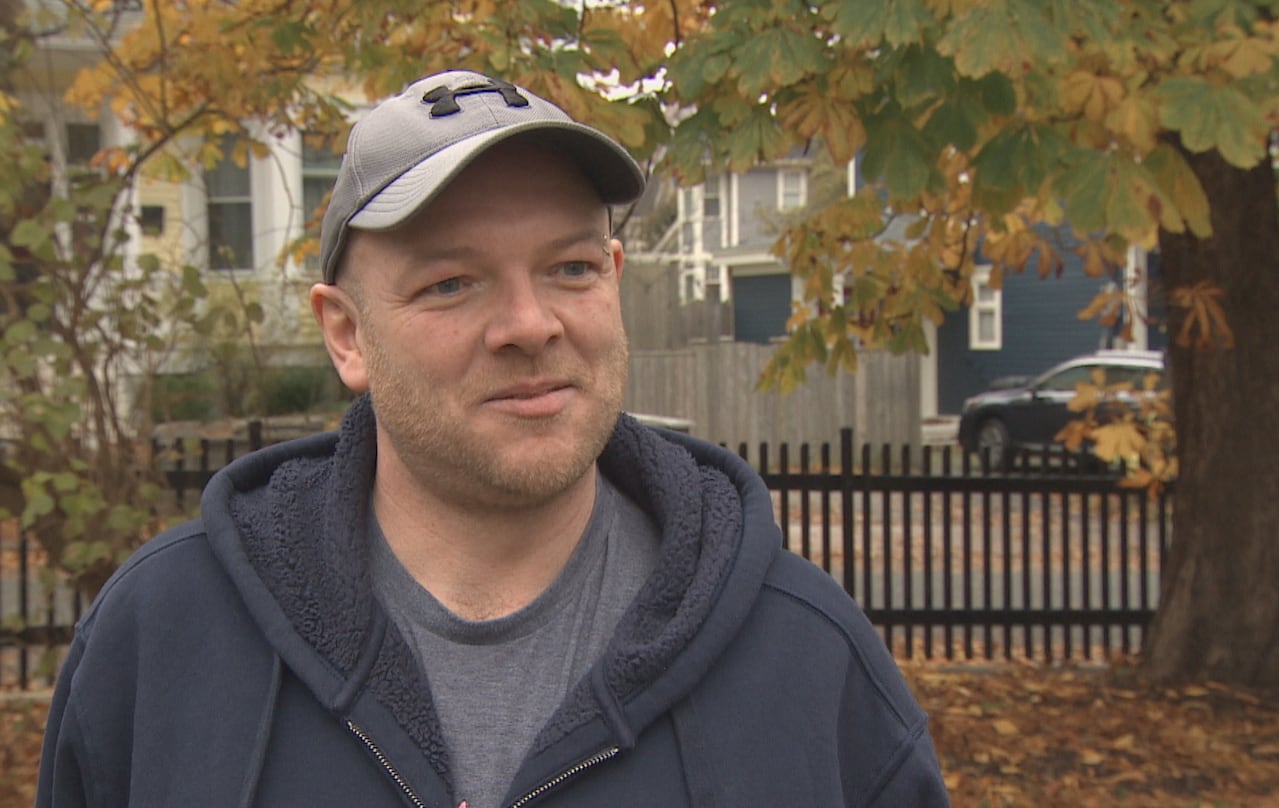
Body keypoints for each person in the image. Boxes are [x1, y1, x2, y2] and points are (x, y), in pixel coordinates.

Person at [36, 70, 950, 807]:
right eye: (450, 283)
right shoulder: (166, 642)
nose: (529, 322)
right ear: (346, 334)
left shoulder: (804, 659)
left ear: (615, 277)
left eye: (570, 267)